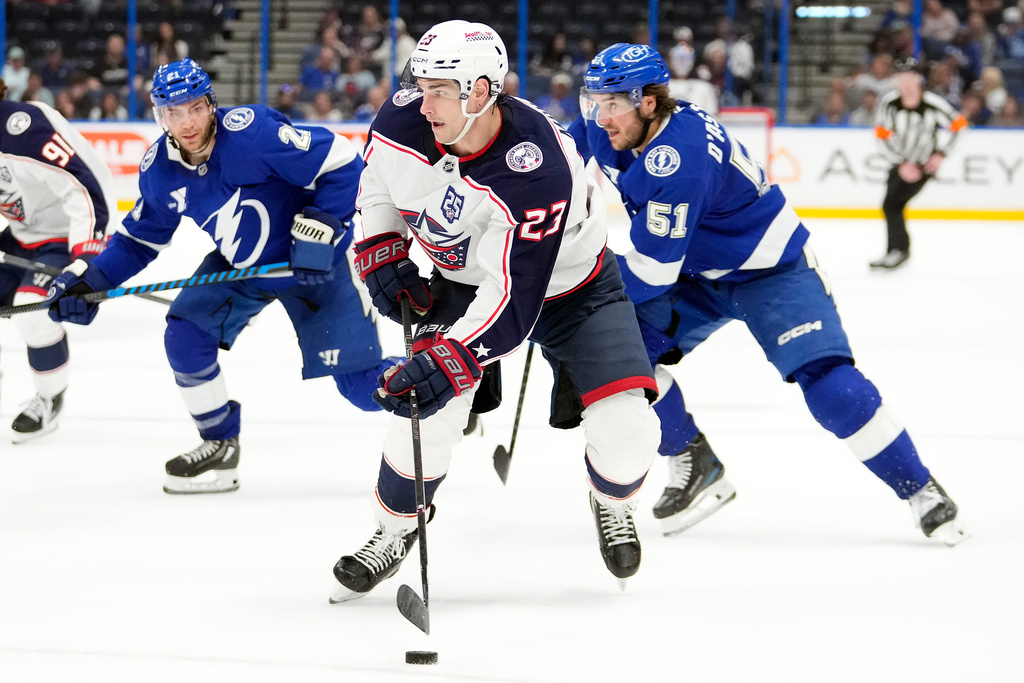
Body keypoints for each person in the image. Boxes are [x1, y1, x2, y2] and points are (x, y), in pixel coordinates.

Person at [568, 44, 967, 546]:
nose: (601, 116)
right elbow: (554, 161)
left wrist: (568, 283)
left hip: (769, 271)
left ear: (648, 102)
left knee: (833, 389)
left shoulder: (680, 159)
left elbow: (651, 272)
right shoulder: (611, 124)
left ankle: (921, 490)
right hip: (694, 271)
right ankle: (694, 463)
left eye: (612, 104)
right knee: (611, 359)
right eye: (595, 102)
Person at [328, 21, 661, 603]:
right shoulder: (403, 118)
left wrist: (452, 357)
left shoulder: (538, 168)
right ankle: (395, 528)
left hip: (571, 289)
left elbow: (513, 296)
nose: (421, 103)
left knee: (627, 425)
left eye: (438, 91)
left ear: (480, 92)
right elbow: (377, 181)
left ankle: (611, 501)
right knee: (425, 411)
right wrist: (380, 243)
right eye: (420, 86)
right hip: (465, 282)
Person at [45, 59, 396, 494]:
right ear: (159, 116)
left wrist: (323, 224)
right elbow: (139, 239)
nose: (187, 123)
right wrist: (92, 278)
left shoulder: (252, 134)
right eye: (173, 113)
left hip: (316, 266)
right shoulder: (159, 170)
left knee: (363, 390)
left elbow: (343, 162)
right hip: (242, 268)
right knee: (185, 335)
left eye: (195, 107)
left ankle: (435, 379)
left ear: (211, 104)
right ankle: (219, 444)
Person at [0, 78, 116, 442]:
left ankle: (49, 398)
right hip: (21, 235)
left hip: (66, 234)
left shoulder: (23, 128)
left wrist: (85, 259)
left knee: (32, 312)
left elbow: (87, 186)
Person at [872, 57, 966, 269]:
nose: (906, 83)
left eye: (910, 77)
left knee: (891, 205)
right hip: (899, 164)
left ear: (918, 79)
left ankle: (899, 251)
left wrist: (940, 154)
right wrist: (901, 162)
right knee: (891, 206)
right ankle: (896, 251)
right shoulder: (890, 103)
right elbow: (881, 135)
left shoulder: (932, 103)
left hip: (923, 167)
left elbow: (960, 126)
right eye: (901, 77)